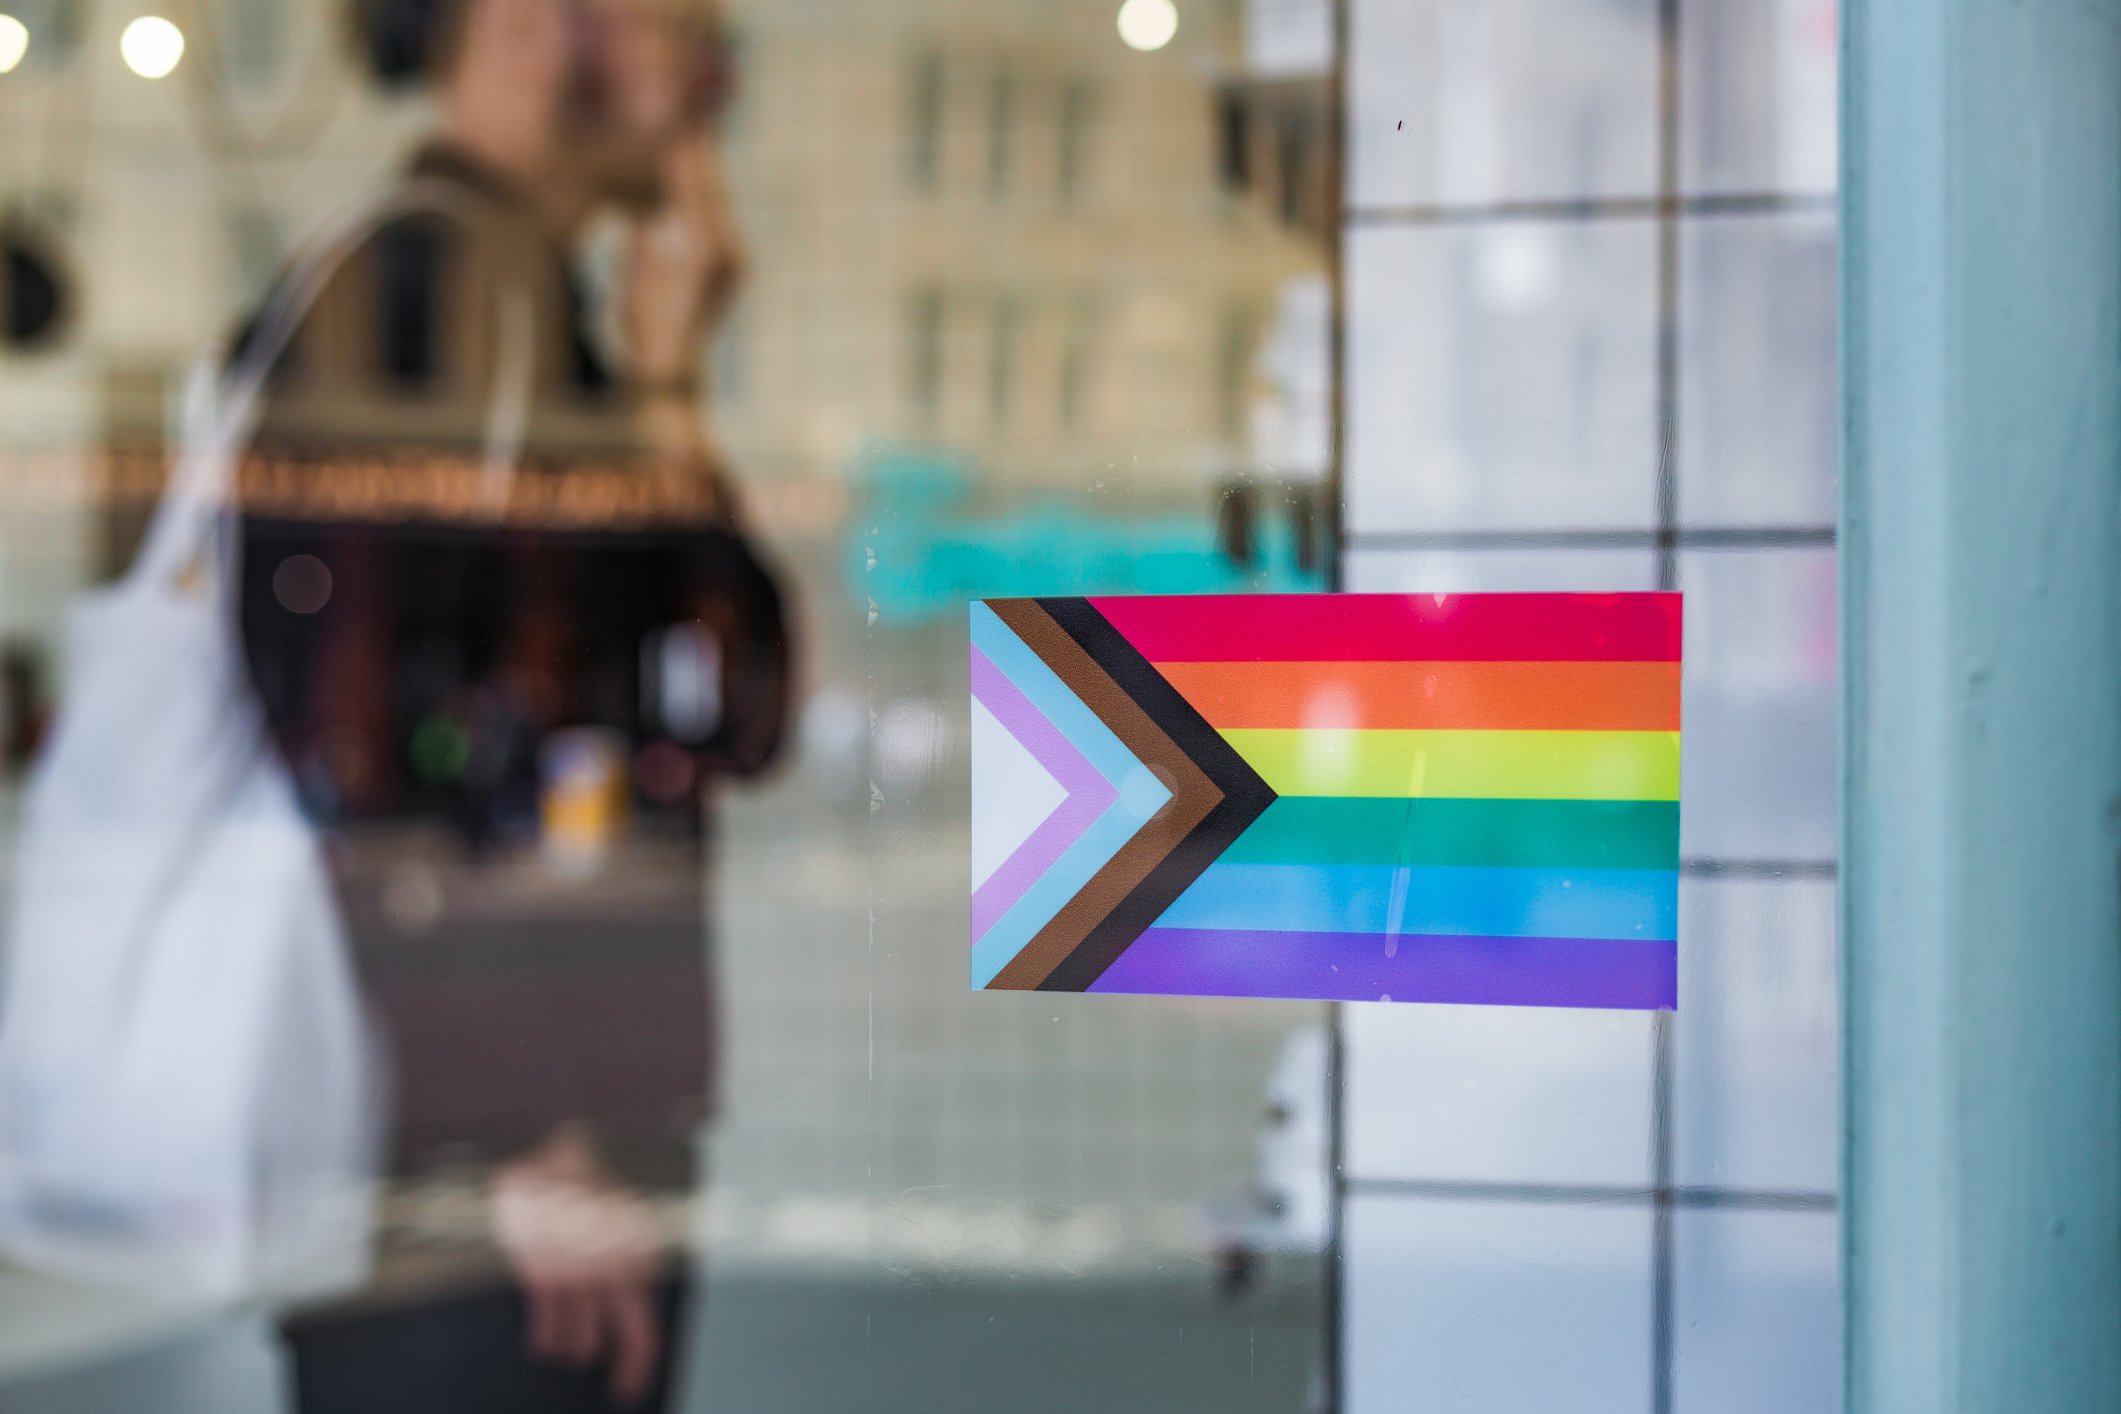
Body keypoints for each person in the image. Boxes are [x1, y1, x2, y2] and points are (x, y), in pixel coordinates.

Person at [225, 1, 790, 1408]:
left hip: (566, 1145)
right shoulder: (408, 295)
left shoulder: (540, 311)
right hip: (480, 1179)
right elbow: (347, 745)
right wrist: (513, 1134)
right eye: (683, 19)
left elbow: (736, 706)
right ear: (543, 20)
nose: (717, 59)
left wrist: (669, 383)